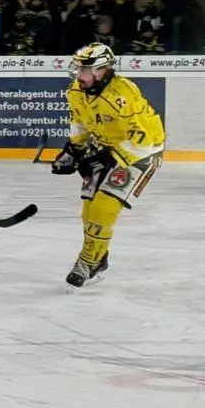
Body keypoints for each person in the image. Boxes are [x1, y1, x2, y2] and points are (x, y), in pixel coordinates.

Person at [50, 42, 165, 288]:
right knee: (88, 210)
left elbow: (143, 140)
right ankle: (99, 258)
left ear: (101, 70)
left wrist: (110, 158)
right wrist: (74, 150)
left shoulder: (123, 95)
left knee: (103, 208)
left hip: (141, 153)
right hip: (105, 147)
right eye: (78, 68)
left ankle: (88, 261)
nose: (78, 74)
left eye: (84, 69)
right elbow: (80, 122)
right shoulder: (76, 90)